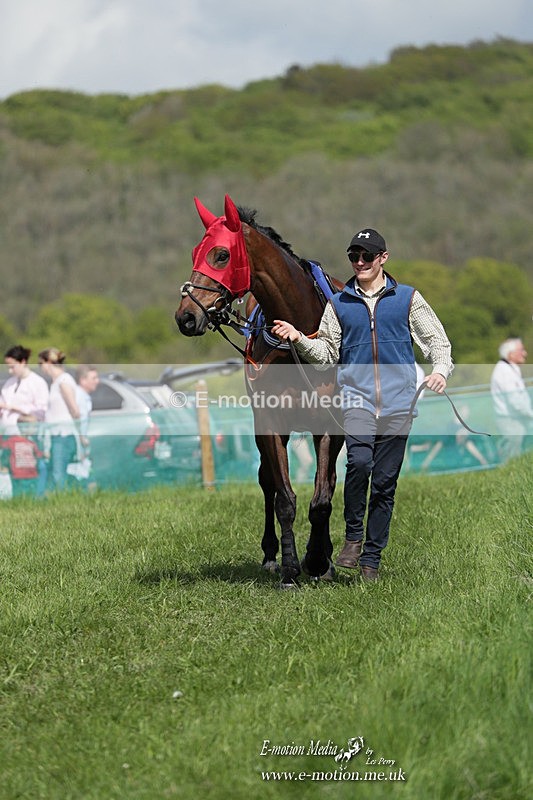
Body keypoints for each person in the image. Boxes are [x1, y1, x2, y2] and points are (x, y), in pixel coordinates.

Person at [271, 227, 452, 581]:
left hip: (400, 403)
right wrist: (298, 338)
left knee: (385, 484)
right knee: (359, 463)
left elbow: (438, 342)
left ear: (383, 258)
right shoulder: (339, 304)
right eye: (354, 256)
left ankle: (371, 559)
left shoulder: (408, 299)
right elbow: (325, 356)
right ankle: (353, 537)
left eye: (367, 256)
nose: (359, 262)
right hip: (356, 400)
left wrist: (441, 372)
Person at [38, 348, 80, 492]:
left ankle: (63, 502)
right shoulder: (56, 382)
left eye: (41, 363)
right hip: (56, 435)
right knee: (55, 473)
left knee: (58, 474)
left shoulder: (63, 381)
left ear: (48, 362)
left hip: (63, 434)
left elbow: (74, 410)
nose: (40, 367)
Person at [490, 337, 533, 461]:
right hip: (510, 421)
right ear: (511, 353)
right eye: (521, 350)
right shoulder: (504, 371)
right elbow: (515, 400)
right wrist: (530, 414)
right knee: (510, 458)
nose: (525, 353)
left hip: (517, 418)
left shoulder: (511, 369)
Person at [0, 345, 49, 434]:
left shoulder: (37, 382)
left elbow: (41, 411)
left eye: (12, 367)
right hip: (6, 436)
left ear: (23, 362)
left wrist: (15, 408)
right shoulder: (9, 383)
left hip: (25, 435)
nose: (10, 371)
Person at [68, 365, 100, 488]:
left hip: (81, 444)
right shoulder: (78, 396)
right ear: (83, 380)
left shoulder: (85, 397)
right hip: (76, 443)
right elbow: (76, 420)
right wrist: (81, 439)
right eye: (94, 378)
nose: (97, 381)